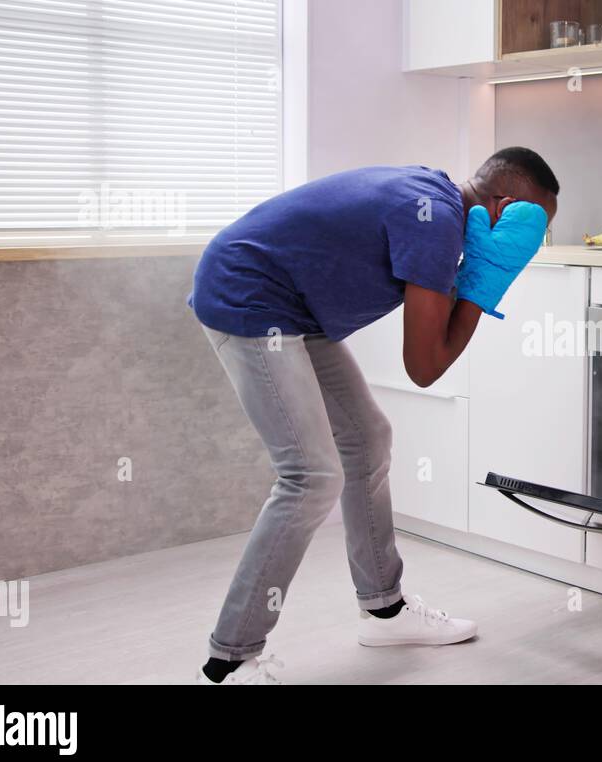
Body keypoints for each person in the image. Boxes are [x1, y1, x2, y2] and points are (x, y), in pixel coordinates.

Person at [187, 147, 559, 684]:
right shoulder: (438, 226)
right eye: (535, 227)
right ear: (504, 207)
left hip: (291, 307)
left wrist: (475, 272)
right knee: (311, 476)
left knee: (366, 439)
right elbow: (424, 366)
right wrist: (485, 281)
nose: (533, 244)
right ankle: (231, 658)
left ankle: (384, 611)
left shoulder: (438, 199)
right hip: (249, 296)